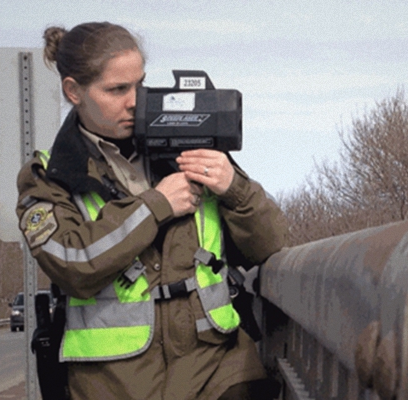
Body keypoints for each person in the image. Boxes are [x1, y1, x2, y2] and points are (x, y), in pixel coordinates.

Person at [16, 21, 288, 400]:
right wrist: (155, 205)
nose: (135, 101)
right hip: (114, 385)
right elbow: (72, 261)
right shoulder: (50, 174)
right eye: (117, 89)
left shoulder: (188, 141)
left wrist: (235, 189)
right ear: (73, 91)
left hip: (218, 372)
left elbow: (271, 246)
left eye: (139, 85)